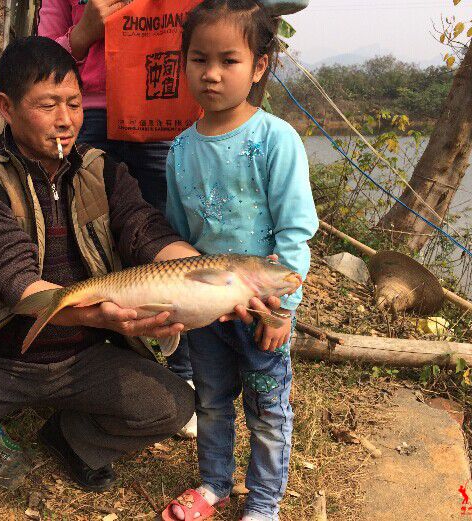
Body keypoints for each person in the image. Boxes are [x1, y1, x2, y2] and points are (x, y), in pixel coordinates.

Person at [0, 37, 199, 521]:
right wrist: (109, 318)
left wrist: (201, 270)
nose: (65, 119)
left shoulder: (102, 171)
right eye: (47, 105)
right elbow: (18, 284)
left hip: (83, 358)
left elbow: (145, 231)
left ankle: (71, 439)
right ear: (6, 107)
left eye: (73, 103)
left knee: (172, 405)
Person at [160, 1, 319, 520]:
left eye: (228, 60)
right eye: (198, 59)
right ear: (183, 62)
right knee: (210, 401)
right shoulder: (181, 150)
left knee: (267, 410)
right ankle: (214, 484)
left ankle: (266, 503)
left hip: (262, 313)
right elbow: (179, 240)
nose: (211, 74)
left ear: (259, 66)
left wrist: (282, 308)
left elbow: (295, 233)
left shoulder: (275, 140)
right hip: (207, 313)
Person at [38, 0, 198, 438]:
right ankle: (88, 351)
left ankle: (180, 369)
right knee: (73, 230)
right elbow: (40, 53)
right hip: (86, 111)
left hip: (161, 110)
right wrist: (83, 32)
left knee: (163, 230)